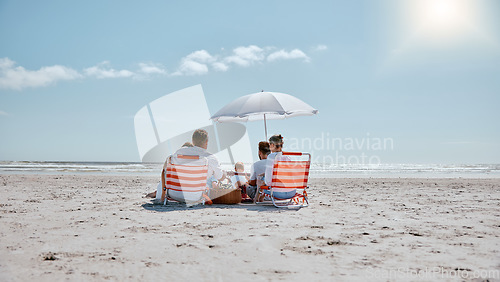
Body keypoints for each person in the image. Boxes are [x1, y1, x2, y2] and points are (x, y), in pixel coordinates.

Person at [153, 129, 226, 202]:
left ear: (193, 141)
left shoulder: (179, 153)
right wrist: (224, 174)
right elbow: (219, 177)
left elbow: (165, 169)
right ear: (206, 142)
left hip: (174, 194)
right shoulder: (211, 158)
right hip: (195, 197)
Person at [263, 134, 295, 199]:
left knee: (261, 179)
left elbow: (268, 181)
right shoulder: (287, 157)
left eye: (269, 145)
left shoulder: (271, 156)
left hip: (279, 193)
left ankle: (258, 198)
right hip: (292, 192)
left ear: (272, 145)